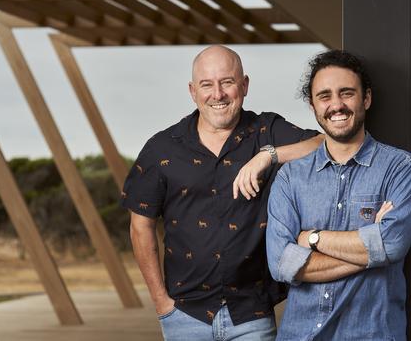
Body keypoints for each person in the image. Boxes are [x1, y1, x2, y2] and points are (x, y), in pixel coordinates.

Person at [122, 45, 322, 340]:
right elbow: (141, 226)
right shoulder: (161, 148)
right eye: (207, 85)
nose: (218, 94)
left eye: (227, 82)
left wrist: (268, 156)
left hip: (251, 314)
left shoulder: (266, 130)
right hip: (184, 315)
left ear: (244, 86)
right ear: (192, 91)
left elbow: (323, 144)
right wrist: (161, 303)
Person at [266, 50, 411, 340]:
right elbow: (281, 264)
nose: (336, 105)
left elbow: (392, 245)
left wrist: (312, 239)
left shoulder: (400, 168)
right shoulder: (291, 177)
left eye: (347, 93)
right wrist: (372, 250)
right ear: (313, 106)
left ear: (366, 99)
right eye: (324, 96)